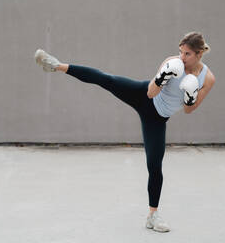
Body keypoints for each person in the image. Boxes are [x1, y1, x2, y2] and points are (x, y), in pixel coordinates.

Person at [34, 32, 215, 233]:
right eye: (180, 52)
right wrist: (163, 76)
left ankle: (152, 216)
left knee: (154, 165)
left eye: (187, 54)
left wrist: (190, 96)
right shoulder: (172, 62)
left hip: (156, 119)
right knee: (107, 79)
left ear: (199, 54)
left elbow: (189, 110)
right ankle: (56, 65)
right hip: (143, 96)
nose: (181, 57)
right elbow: (150, 93)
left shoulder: (207, 78)